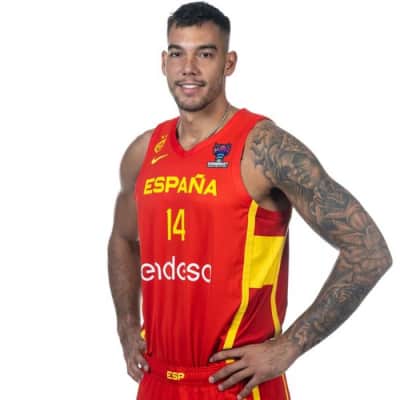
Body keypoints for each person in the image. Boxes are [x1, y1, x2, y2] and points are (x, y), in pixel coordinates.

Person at [107, 2, 392, 399]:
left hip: (239, 384)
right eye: (177, 53)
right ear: (163, 62)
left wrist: (288, 347)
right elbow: (123, 238)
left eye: (205, 54)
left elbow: (369, 250)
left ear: (229, 63)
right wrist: (126, 324)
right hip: (158, 380)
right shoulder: (143, 151)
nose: (188, 68)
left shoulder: (264, 148)